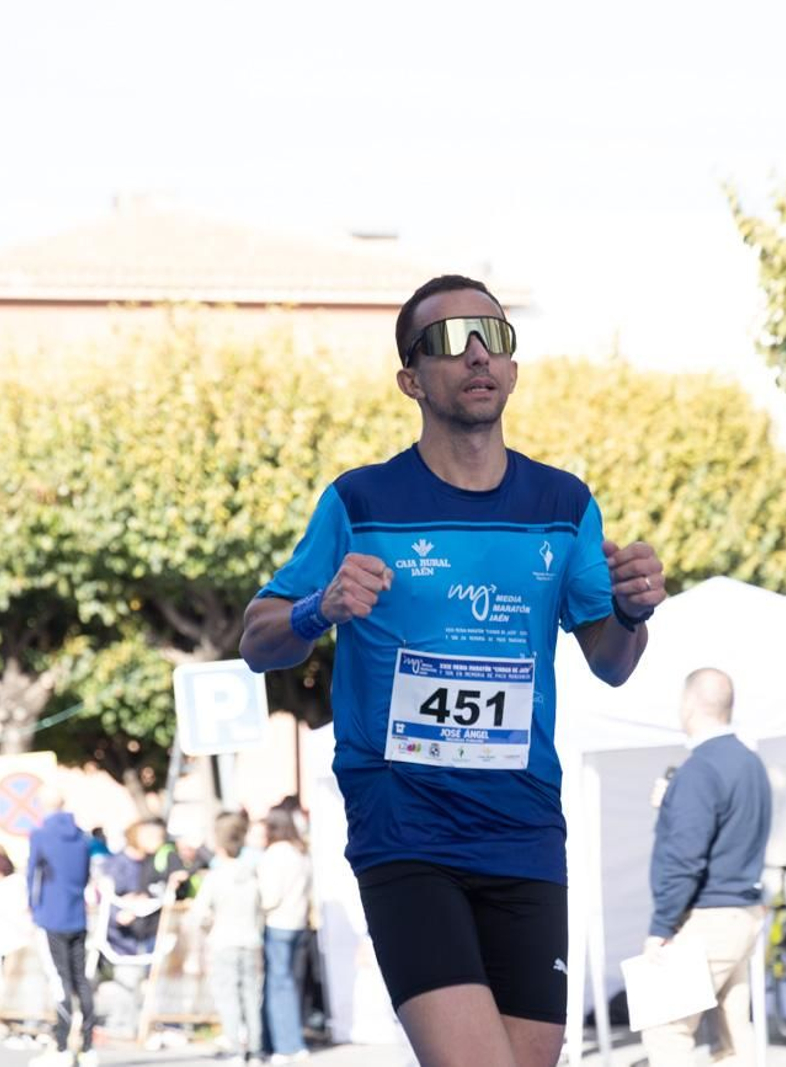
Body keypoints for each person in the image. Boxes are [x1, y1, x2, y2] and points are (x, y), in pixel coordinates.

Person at [240, 274, 665, 1067]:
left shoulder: (563, 503)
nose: (477, 353)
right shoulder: (361, 500)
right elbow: (257, 638)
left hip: (525, 827)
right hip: (405, 824)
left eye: (495, 336)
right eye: (448, 339)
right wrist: (318, 608)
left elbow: (611, 663)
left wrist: (634, 612)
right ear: (410, 378)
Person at [640, 669, 771, 1066]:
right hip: (742, 913)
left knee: (667, 1026)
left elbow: (685, 856)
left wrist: (661, 927)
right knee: (732, 1035)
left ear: (688, 704)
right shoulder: (750, 763)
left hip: (708, 917)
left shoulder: (699, 770)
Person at [27, 788, 98, 1067]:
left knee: (60, 980)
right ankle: (88, 1047)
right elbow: (85, 876)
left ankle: (61, 1047)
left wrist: (31, 909)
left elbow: (32, 875)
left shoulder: (41, 835)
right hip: (77, 914)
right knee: (81, 979)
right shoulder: (82, 838)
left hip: (50, 915)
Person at [194, 812, 264, 1062]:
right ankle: (255, 1048)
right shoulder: (252, 874)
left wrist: (208, 926)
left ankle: (236, 1047)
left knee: (228, 997)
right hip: (251, 940)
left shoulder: (215, 876)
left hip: (223, 940)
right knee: (251, 996)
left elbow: (199, 914)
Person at [258, 807, 312, 1063]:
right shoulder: (299, 851)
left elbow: (270, 897)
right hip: (298, 922)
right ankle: (288, 1041)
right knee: (290, 983)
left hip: (277, 923)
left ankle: (286, 1045)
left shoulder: (274, 854)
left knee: (278, 985)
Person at [101, 819, 180, 959]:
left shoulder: (153, 860)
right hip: (124, 940)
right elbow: (106, 897)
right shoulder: (117, 865)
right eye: (151, 836)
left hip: (150, 930)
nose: (158, 841)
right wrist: (120, 912)